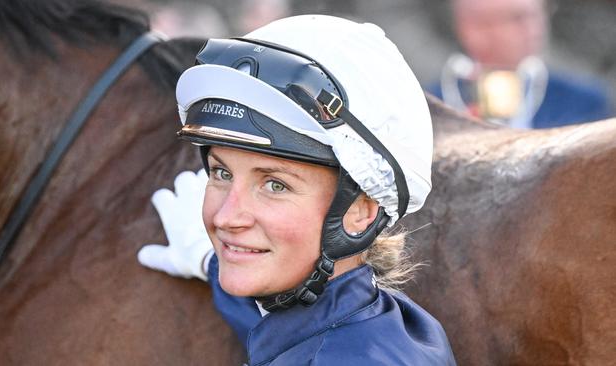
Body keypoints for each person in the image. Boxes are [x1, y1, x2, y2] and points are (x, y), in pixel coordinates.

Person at [138, 15, 456, 365]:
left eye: (275, 184)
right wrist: (212, 261)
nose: (225, 216)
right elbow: (289, 333)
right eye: (221, 173)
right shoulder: (390, 323)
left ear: (360, 210)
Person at [429, 0, 613, 129]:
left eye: (538, 13)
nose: (534, 28)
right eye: (517, 18)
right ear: (472, 29)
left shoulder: (582, 101)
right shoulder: (434, 107)